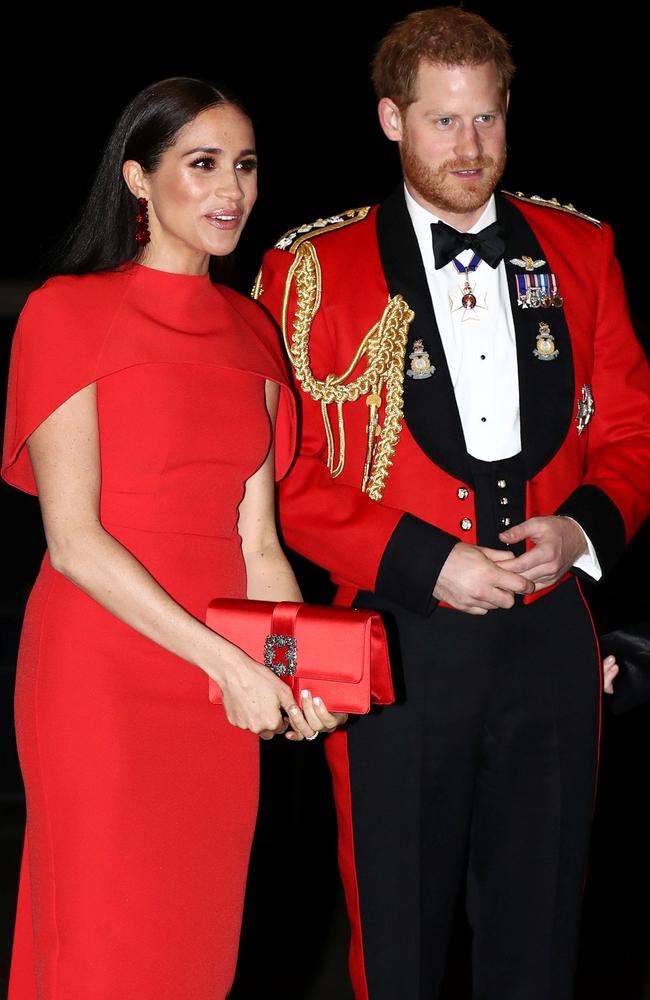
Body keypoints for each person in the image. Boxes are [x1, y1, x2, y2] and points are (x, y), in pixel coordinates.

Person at [256, 9, 650, 1000]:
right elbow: (280, 475)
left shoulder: (580, 248)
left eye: (486, 120)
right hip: (394, 642)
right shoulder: (308, 270)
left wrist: (578, 532)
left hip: (551, 640)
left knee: (539, 938)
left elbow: (629, 439)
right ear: (390, 119)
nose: (468, 148)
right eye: (442, 122)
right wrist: (426, 560)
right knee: (397, 941)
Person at [2, 77, 345, 1000]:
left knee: (196, 946)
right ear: (138, 181)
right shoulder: (66, 312)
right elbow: (74, 542)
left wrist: (295, 665)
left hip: (219, 677)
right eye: (201, 165)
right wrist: (233, 664)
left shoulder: (252, 331)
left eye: (243, 165)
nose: (230, 188)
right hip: (103, 669)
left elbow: (260, 542)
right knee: (109, 937)